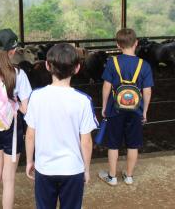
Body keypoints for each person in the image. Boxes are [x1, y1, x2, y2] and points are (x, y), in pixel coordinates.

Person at [25, 43, 97, 209]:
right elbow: (86, 141)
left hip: (45, 168)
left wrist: (30, 161)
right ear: (77, 68)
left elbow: (30, 134)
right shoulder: (83, 101)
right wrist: (86, 168)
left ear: (47, 66)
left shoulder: (36, 97)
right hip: (73, 169)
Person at [0, 29, 32, 209]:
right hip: (12, 128)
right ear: (13, 50)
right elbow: (26, 108)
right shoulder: (18, 74)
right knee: (8, 179)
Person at [99, 28, 153, 186]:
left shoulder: (112, 62)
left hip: (115, 109)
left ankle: (112, 177)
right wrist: (145, 110)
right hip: (135, 110)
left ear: (117, 45)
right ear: (136, 43)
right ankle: (129, 176)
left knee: (113, 144)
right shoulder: (144, 65)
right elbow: (147, 91)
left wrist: (104, 106)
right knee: (133, 143)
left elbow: (106, 87)